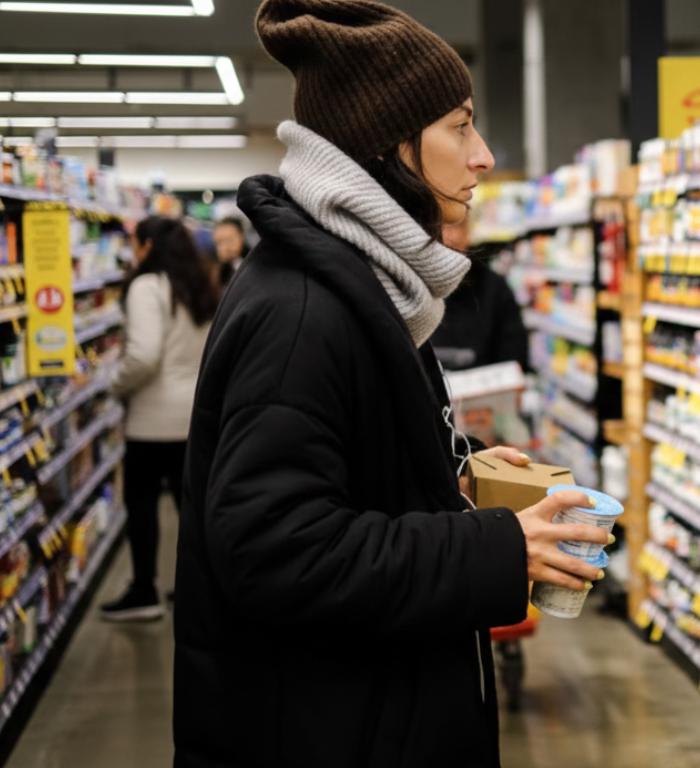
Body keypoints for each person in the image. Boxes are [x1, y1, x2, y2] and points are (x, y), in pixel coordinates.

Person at [174, 2, 609, 767]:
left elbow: (347, 468)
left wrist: (454, 472)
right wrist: (496, 550)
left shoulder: (367, 286)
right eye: (460, 126)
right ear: (387, 146)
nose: (483, 155)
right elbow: (274, 551)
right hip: (327, 732)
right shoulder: (303, 313)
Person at [101, 216, 218, 621]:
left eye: (135, 243)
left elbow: (144, 355)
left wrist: (116, 385)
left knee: (143, 507)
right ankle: (199, 589)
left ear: (148, 246)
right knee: (193, 512)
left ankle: (144, 590)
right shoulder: (199, 285)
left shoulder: (147, 286)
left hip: (153, 420)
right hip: (194, 416)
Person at [432, 221, 529, 371]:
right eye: (437, 225)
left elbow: (514, 357)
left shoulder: (495, 288)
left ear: (467, 232)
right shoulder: (405, 288)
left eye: (453, 224)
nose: (446, 235)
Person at [211, 217, 249, 287]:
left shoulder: (254, 265)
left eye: (230, 241)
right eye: (219, 243)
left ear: (242, 237)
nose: (225, 248)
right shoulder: (213, 273)